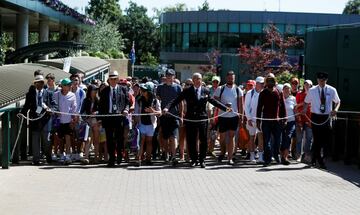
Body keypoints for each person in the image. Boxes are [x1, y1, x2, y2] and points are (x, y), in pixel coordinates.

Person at [164, 73, 230, 168]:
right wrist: (167, 108)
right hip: (191, 119)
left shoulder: (205, 91)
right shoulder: (187, 91)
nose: (198, 81)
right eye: (196, 79)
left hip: (202, 118)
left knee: (203, 140)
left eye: (200, 79)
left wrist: (225, 108)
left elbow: (213, 101)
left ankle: (202, 160)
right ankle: (194, 159)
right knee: (191, 140)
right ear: (193, 80)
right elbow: (176, 100)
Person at [304, 72, 340, 169]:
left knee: (325, 139)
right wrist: (304, 110)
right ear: (317, 80)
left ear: (326, 80)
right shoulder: (312, 90)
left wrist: (335, 110)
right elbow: (306, 102)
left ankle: (314, 158)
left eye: (323, 80)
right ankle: (320, 161)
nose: (321, 82)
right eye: (320, 80)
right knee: (317, 138)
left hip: (326, 117)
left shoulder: (332, 90)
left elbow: (338, 101)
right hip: (315, 116)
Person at [21, 74, 57, 165]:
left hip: (46, 121)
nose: (40, 84)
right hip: (35, 120)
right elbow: (26, 106)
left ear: (43, 83)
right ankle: (36, 160)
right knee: (35, 141)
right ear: (35, 84)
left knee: (46, 141)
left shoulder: (48, 93)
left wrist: (51, 110)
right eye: (38, 83)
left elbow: (54, 105)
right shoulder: (30, 94)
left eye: (41, 82)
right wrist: (22, 113)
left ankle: (48, 158)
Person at [98, 71, 130, 167]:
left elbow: (127, 102)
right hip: (108, 118)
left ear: (117, 79)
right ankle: (111, 158)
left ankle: (119, 154)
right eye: (111, 79)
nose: (113, 80)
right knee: (109, 139)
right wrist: (100, 118)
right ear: (109, 80)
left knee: (119, 138)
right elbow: (101, 106)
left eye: (115, 79)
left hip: (119, 117)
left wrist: (126, 109)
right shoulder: (104, 91)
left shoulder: (123, 89)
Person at [214, 71, 243, 165]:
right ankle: (222, 152)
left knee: (231, 137)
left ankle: (230, 157)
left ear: (234, 79)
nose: (231, 79)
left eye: (232, 78)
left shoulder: (238, 90)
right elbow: (215, 102)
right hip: (222, 116)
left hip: (234, 116)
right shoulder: (220, 88)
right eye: (229, 78)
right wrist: (224, 106)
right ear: (227, 78)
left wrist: (241, 117)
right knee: (222, 138)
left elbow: (240, 104)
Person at [256, 76, 286, 166]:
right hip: (266, 121)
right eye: (268, 81)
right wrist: (258, 121)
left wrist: (284, 119)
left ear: (275, 81)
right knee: (267, 141)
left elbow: (282, 107)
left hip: (277, 121)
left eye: (272, 80)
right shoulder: (263, 93)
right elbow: (259, 108)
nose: (270, 82)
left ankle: (276, 156)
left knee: (277, 141)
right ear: (266, 82)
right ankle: (267, 159)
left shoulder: (279, 92)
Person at [156, 69, 182, 165]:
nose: (169, 77)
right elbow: (157, 102)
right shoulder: (160, 87)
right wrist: (158, 115)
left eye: (171, 75)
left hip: (174, 116)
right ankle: (166, 154)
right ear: (165, 76)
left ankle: (174, 156)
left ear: (174, 76)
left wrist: (181, 115)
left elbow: (181, 103)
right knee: (165, 137)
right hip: (163, 116)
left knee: (173, 136)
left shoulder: (178, 88)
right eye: (168, 75)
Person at [134, 82, 161, 166]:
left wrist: (153, 111)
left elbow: (160, 113)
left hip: (151, 124)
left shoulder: (155, 100)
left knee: (149, 142)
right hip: (141, 124)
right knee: (141, 141)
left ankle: (148, 159)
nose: (142, 91)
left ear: (149, 91)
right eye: (142, 90)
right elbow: (136, 112)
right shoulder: (138, 99)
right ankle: (139, 159)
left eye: (144, 90)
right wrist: (136, 123)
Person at [54, 78, 78, 164]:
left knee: (68, 138)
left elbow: (74, 107)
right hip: (59, 120)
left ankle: (68, 155)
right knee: (60, 138)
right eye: (67, 85)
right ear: (63, 86)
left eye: (69, 85)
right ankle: (61, 155)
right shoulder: (56, 94)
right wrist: (56, 113)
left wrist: (73, 118)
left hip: (68, 120)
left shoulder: (72, 95)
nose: (69, 86)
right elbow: (54, 105)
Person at [244, 76, 265, 164]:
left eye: (263, 83)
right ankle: (252, 156)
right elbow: (246, 106)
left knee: (261, 137)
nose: (263, 85)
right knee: (252, 137)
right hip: (252, 119)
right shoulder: (249, 93)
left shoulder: (264, 93)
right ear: (257, 84)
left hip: (261, 119)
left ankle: (260, 157)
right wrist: (249, 119)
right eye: (261, 83)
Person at [80, 85, 101, 164]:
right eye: (93, 90)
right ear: (90, 91)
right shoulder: (85, 100)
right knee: (88, 139)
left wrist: (96, 113)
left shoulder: (98, 100)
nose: (95, 91)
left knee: (96, 140)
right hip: (88, 122)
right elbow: (82, 112)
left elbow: (101, 111)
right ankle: (86, 157)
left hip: (96, 122)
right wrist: (87, 117)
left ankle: (96, 157)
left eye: (96, 90)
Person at [295, 80, 313, 163]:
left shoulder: (314, 95)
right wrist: (304, 103)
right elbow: (296, 106)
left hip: (310, 120)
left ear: (311, 86)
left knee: (309, 139)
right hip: (300, 119)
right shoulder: (299, 94)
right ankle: (298, 155)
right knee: (299, 139)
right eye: (305, 84)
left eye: (308, 84)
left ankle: (307, 155)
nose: (306, 85)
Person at [280, 83, 297, 165]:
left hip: (291, 122)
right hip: (281, 122)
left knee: (288, 137)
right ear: (282, 90)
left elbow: (295, 110)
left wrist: (298, 121)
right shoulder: (280, 98)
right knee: (282, 139)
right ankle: (281, 156)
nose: (287, 90)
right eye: (285, 88)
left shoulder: (293, 99)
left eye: (288, 88)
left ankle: (285, 157)